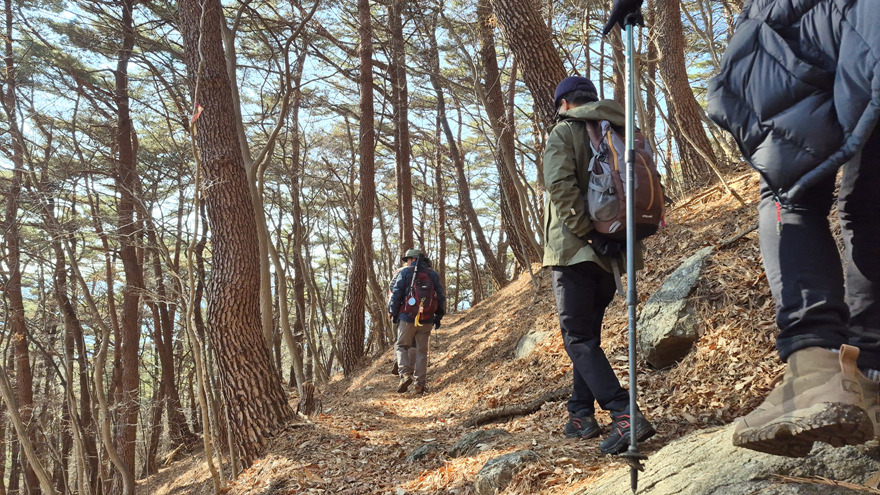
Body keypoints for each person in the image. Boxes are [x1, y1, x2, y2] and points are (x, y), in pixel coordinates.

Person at [702, 0, 880, 457]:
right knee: (867, 204)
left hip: (799, 22)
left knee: (789, 192)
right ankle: (871, 376)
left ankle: (815, 371)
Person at [543, 75, 655, 454]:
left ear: (564, 104)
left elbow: (560, 187)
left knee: (576, 338)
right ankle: (580, 414)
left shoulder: (564, 131)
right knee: (587, 337)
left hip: (576, 252)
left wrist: (587, 234)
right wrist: (606, 239)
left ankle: (624, 414)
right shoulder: (620, 129)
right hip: (614, 254)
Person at [388, 248, 445, 395]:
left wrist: (393, 312)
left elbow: (396, 294)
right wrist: (438, 316)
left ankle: (405, 375)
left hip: (407, 318)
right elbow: (440, 296)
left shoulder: (405, 273)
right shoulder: (432, 274)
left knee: (401, 346)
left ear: (413, 259)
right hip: (427, 319)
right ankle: (420, 385)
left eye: (407, 259)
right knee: (421, 352)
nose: (407, 262)